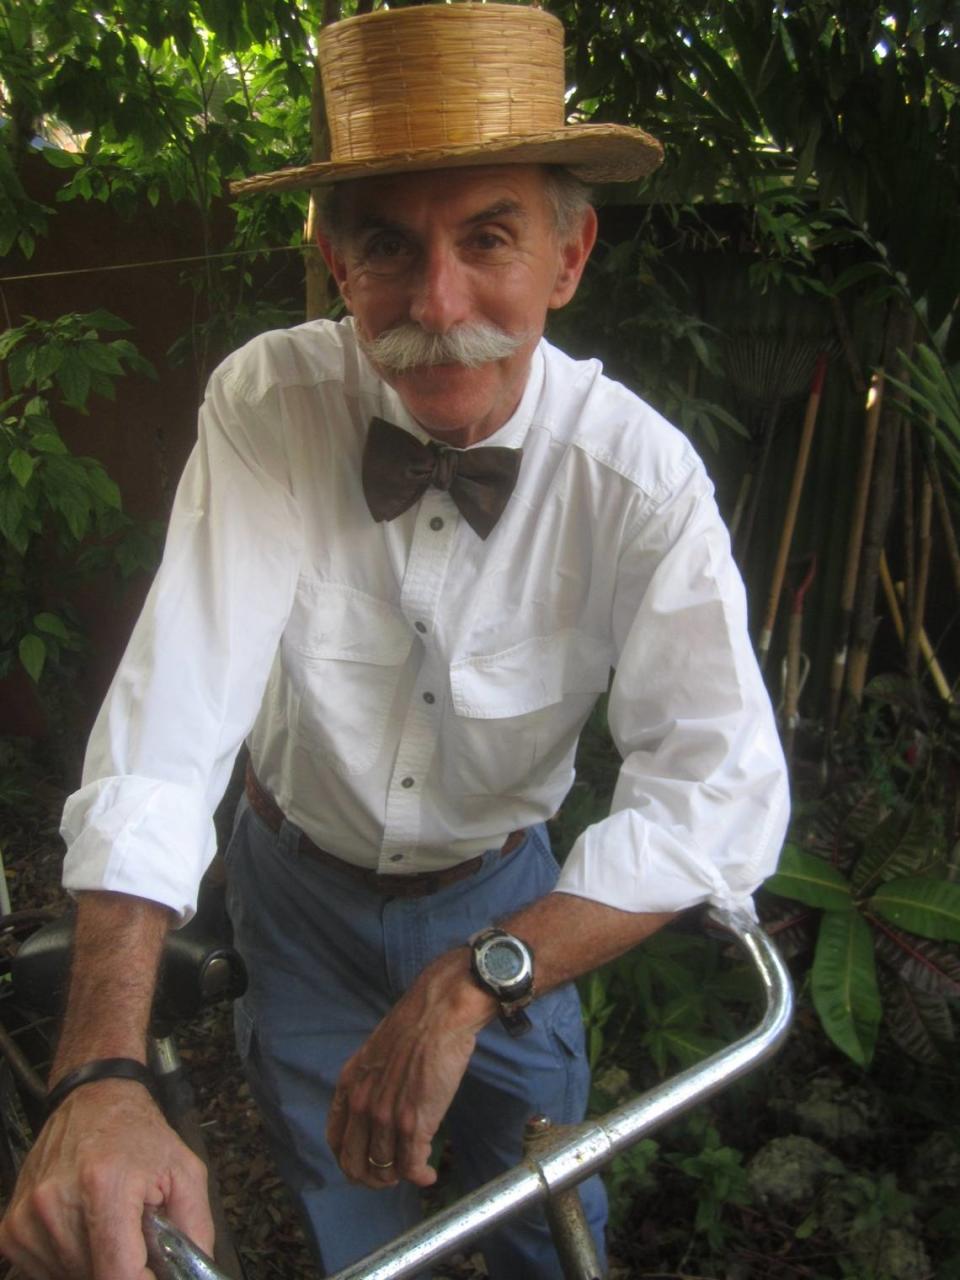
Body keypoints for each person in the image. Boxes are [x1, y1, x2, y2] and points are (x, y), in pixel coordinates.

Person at [0, 5, 789, 1278]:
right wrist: (97, 1065)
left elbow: (715, 788)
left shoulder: (639, 479)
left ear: (571, 253)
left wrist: (482, 976)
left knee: (552, 1211)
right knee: (344, 1216)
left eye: (489, 238)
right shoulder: (267, 405)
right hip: (292, 895)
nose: (437, 302)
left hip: (506, 896)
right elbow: (169, 722)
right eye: (389, 244)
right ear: (330, 257)